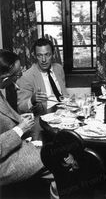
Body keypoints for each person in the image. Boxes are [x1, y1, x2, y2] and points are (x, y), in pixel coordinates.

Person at [0, 49, 59, 199]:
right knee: (60, 161)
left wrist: (19, 120)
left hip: (13, 150)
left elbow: (6, 117)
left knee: (59, 154)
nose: (18, 80)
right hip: (4, 163)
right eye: (17, 75)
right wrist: (20, 129)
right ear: (5, 78)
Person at [17, 38, 68, 115]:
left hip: (64, 112)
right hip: (44, 116)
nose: (44, 60)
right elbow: (21, 107)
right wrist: (32, 100)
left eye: (47, 55)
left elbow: (64, 94)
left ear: (53, 54)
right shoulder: (26, 77)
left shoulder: (59, 68)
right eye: (39, 55)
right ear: (34, 56)